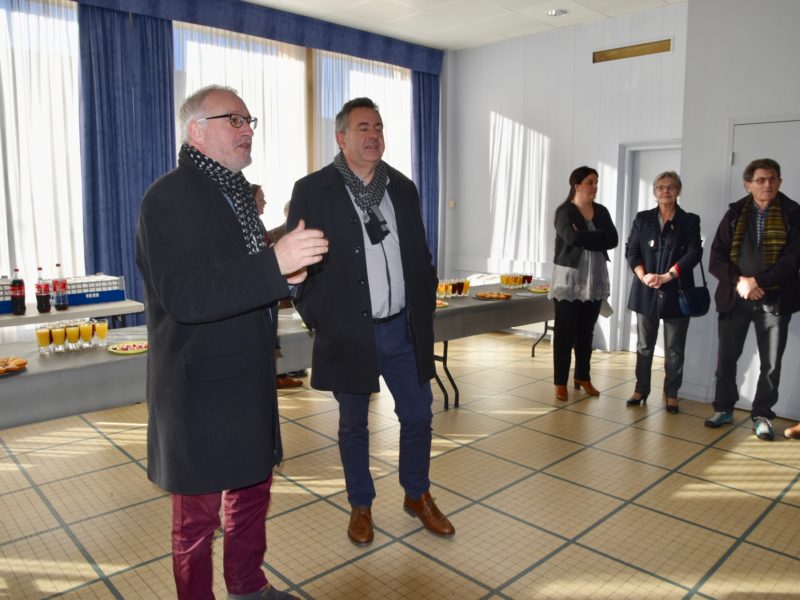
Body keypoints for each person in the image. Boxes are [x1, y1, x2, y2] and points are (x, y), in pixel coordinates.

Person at [136, 84, 328, 600]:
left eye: (249, 121)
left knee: (251, 492)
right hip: (199, 385)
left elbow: (240, 280)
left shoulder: (237, 195)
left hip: (248, 376)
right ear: (196, 131)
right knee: (197, 518)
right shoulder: (169, 197)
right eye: (234, 121)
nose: (247, 130)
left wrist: (286, 278)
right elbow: (186, 295)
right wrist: (273, 265)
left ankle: (248, 587)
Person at [287, 97, 454, 547]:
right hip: (350, 332)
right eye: (363, 128)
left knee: (418, 415)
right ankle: (361, 504)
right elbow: (297, 268)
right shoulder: (314, 190)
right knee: (353, 425)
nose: (373, 135)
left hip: (403, 329)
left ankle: (417, 494)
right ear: (341, 137)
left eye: (378, 127)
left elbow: (420, 253)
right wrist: (318, 317)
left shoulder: (402, 187)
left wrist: (425, 298)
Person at [704, 158, 800, 441]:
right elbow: (716, 258)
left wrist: (757, 282)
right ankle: (723, 408)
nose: (767, 184)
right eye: (760, 180)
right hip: (736, 299)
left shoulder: (793, 214)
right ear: (748, 185)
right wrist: (741, 282)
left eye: (772, 179)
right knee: (726, 359)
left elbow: (792, 261)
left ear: (780, 182)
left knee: (771, 364)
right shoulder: (734, 214)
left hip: (775, 301)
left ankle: (762, 415)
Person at [625, 171, 702, 413]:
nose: (665, 191)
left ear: (679, 190)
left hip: (676, 291)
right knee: (644, 346)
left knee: (674, 349)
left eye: (670, 187)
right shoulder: (643, 219)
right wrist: (643, 276)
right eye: (660, 187)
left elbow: (694, 253)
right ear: (654, 191)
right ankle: (641, 389)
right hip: (646, 290)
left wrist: (668, 276)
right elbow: (631, 251)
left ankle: (671, 393)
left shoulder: (689, 220)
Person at [548, 166, 618, 401]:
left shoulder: (601, 211)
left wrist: (585, 236)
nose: (595, 186)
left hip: (594, 279)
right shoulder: (564, 211)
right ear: (577, 186)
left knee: (586, 332)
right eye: (590, 182)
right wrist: (599, 236)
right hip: (569, 280)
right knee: (564, 333)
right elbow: (571, 237)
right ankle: (560, 382)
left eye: (596, 182)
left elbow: (613, 240)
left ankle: (582, 377)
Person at [251, 186, 303, 389]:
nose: (265, 202)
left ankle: (284, 372)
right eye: (261, 199)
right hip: (271, 292)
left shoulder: (258, 225)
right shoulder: (271, 233)